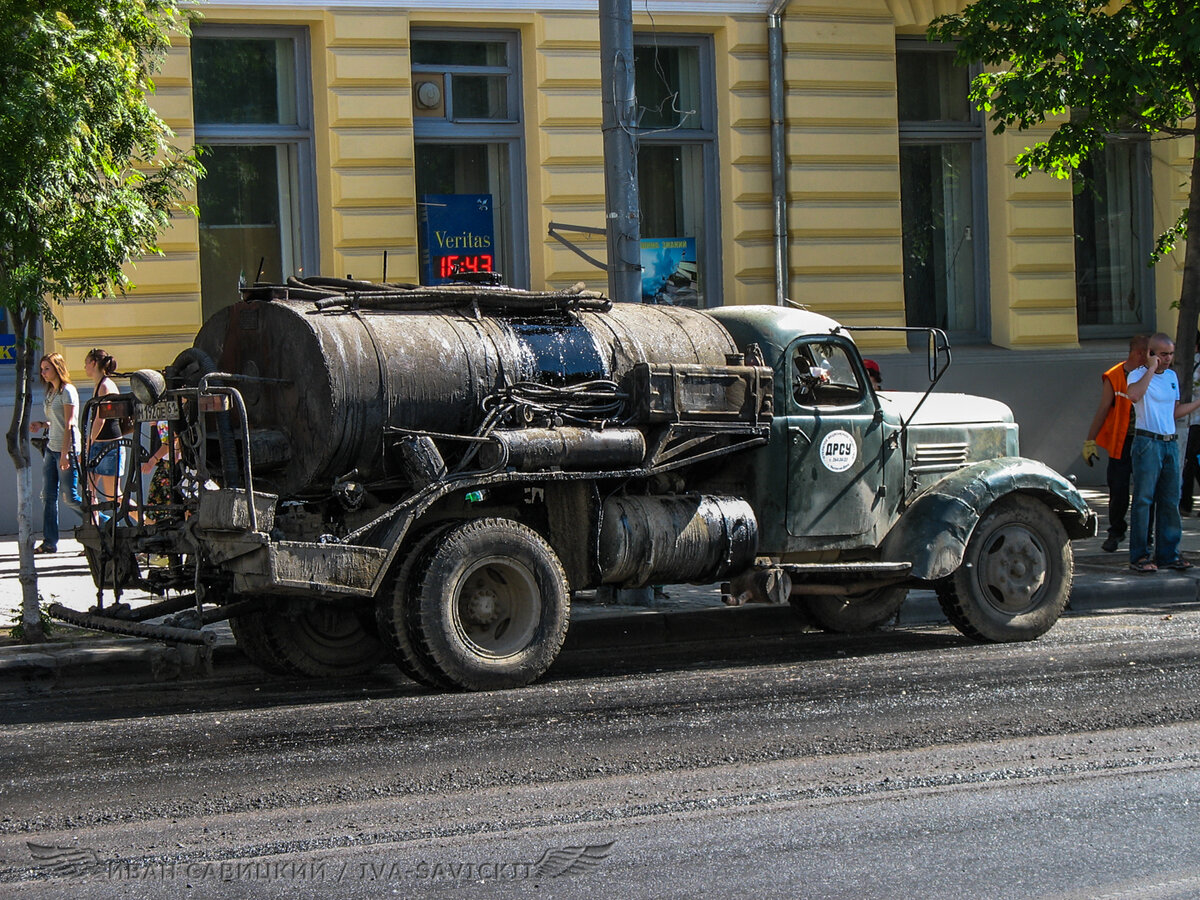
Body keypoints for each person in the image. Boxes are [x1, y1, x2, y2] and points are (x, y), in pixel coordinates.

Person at [1124, 332, 1200, 573]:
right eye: (1163, 354)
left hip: (1169, 442)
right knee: (1144, 500)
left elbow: (1174, 412)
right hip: (1148, 442)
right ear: (1151, 353)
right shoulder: (1137, 375)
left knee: (1170, 499)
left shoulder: (1172, 377)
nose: (1168, 359)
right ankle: (1140, 555)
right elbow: (1134, 395)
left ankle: (1169, 553)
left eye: (1171, 354)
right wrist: (1150, 368)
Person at [1082, 334, 1149, 552]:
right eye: (1150, 353)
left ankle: (1145, 536)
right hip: (1123, 442)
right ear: (1139, 353)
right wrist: (1090, 440)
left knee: (1145, 491)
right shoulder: (1115, 376)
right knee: (1118, 489)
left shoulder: (1151, 374)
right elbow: (1103, 409)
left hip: (1146, 439)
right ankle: (1116, 532)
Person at [28, 353, 84, 554]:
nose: (43, 373)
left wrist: (65, 453)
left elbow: (69, 423)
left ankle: (102, 524)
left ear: (58, 368)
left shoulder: (67, 391)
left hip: (65, 449)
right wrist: (42, 424)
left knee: (70, 496)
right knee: (48, 496)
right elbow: (57, 421)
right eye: (42, 369)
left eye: (47, 369)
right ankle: (50, 541)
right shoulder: (51, 391)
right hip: (51, 448)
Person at [84, 348, 125, 518]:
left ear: (94, 363)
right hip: (100, 443)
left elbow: (100, 419)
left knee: (114, 495)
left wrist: (88, 443)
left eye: (86, 363)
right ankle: (96, 532)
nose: (84, 367)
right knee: (90, 492)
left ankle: (146, 522)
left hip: (109, 445)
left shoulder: (105, 386)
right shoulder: (100, 384)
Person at [1180, 335, 1200, 514]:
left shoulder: (1193, 365)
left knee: (1190, 461)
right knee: (1192, 461)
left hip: (1194, 420)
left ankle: (1185, 502)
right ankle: (1185, 502)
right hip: (1191, 419)